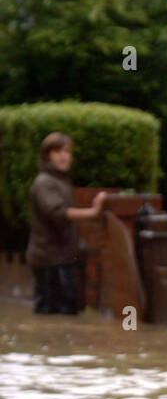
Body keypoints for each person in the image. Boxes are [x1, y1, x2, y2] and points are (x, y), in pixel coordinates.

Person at [25, 133, 108, 315]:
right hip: (48, 259)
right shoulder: (44, 182)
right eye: (58, 151)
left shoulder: (61, 180)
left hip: (61, 257)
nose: (63, 156)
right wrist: (93, 212)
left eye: (67, 151)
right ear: (47, 155)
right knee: (52, 311)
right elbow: (58, 213)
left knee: (66, 309)